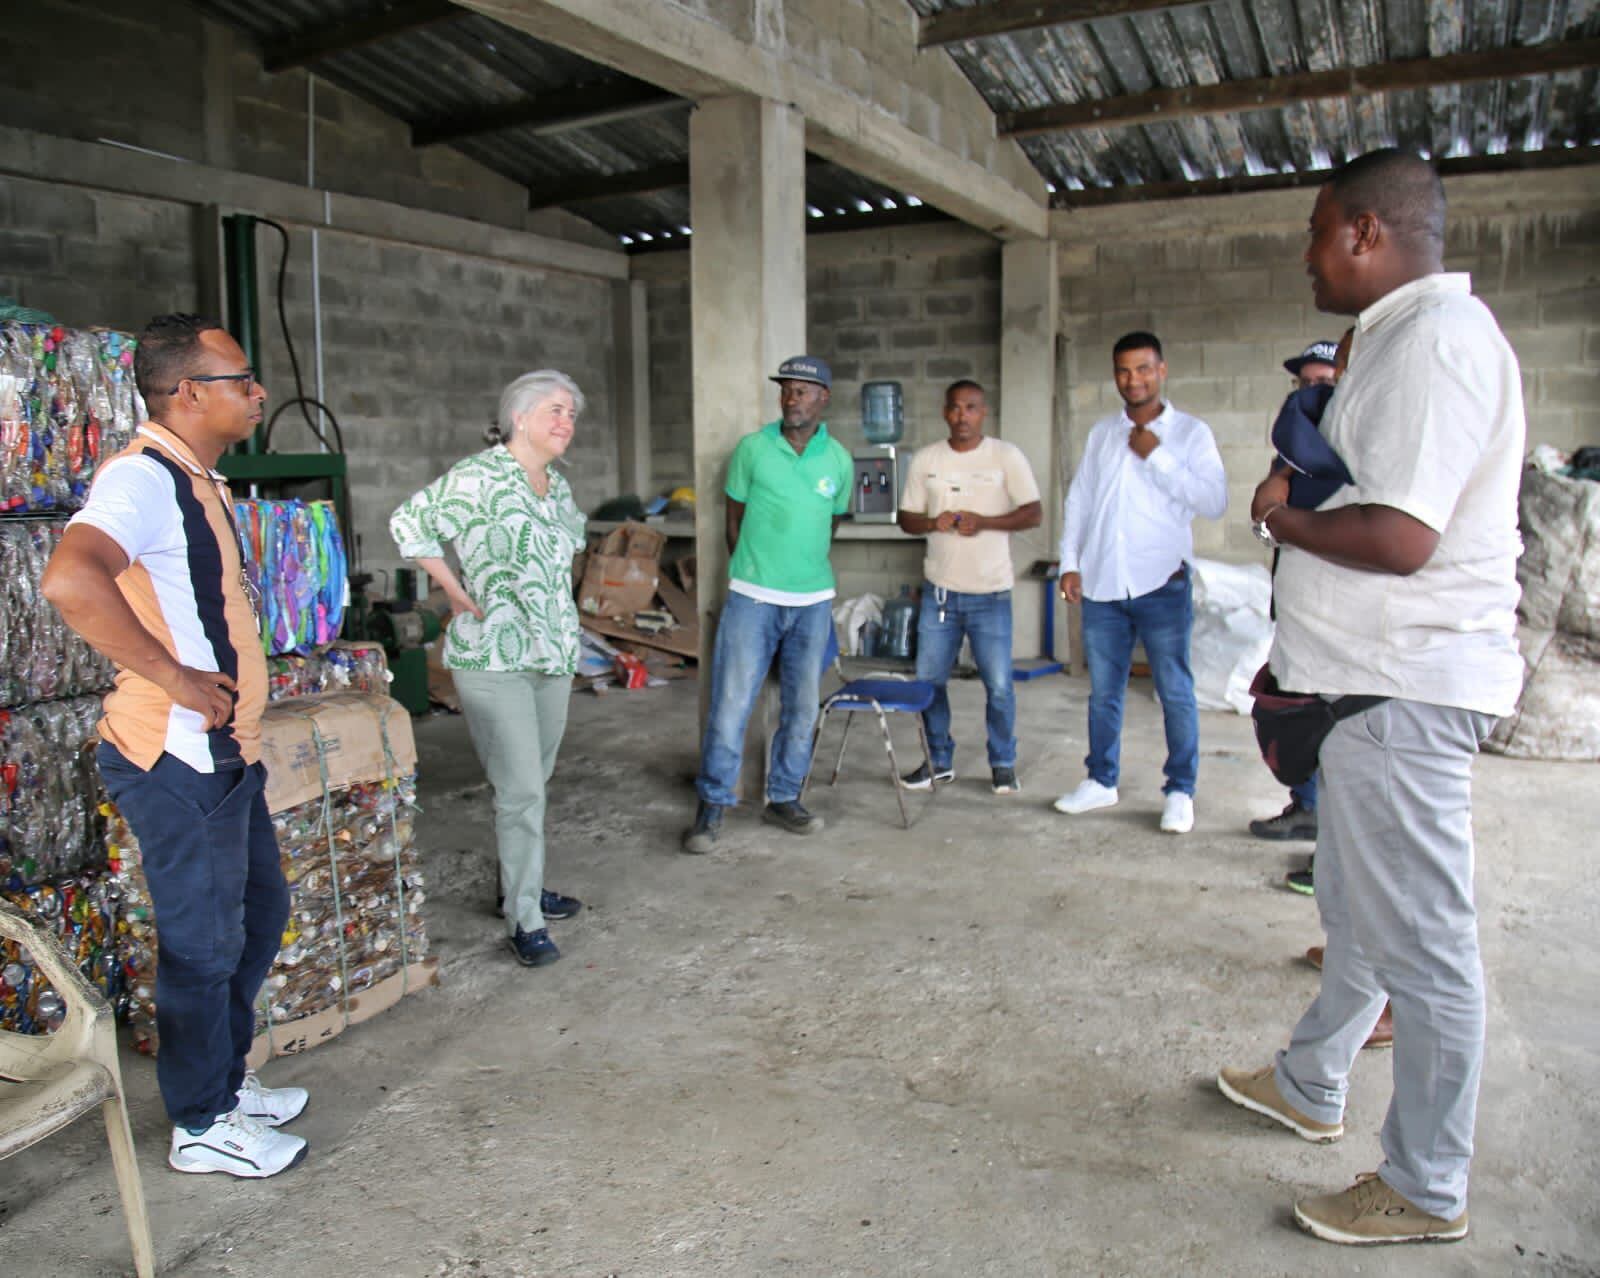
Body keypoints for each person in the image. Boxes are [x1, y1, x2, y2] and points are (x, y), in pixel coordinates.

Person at [1217, 149, 1525, 1246]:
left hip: (1406, 688)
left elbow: (1399, 535)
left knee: (1427, 948)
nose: (1305, 254)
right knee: (1352, 909)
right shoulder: (1396, 341)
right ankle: (1310, 1083)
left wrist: (1279, 517)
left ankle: (1426, 1185)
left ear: (1361, 231)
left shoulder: (1438, 345)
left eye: (1313, 232)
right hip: (1363, 688)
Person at [42, 313, 307, 1178]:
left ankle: (225, 1080)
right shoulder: (143, 479)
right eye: (241, 378)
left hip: (227, 755)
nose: (258, 391)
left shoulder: (196, 478)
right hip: (179, 757)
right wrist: (175, 677)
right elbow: (69, 577)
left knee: (260, 915)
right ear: (188, 392)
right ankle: (201, 1121)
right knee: (201, 945)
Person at [390, 371, 588, 968]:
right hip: (494, 657)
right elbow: (409, 523)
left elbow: (565, 558)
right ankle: (523, 918)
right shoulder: (477, 477)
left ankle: (517, 883)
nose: (566, 423)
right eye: (555, 410)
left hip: (552, 655)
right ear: (520, 417)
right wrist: (451, 589)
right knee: (521, 790)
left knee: (534, 782)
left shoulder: (557, 485)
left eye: (572, 415)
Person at [1052, 332, 1227, 834]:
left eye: (1144, 369)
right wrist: (1070, 560)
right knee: (1104, 691)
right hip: (1104, 585)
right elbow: (1081, 500)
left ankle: (1179, 790)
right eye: (1124, 371)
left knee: (1174, 689)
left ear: (1162, 370)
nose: (1134, 380)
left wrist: (1158, 455)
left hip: (1162, 584)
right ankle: (1100, 781)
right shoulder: (1101, 434)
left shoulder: (1192, 434)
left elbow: (1213, 501)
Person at [682, 356, 854, 854]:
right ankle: (711, 806)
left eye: (803, 391)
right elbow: (733, 520)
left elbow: (833, 522)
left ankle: (783, 798)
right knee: (732, 703)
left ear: (823, 398)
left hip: (813, 603)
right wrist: (757, 572)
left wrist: (801, 568)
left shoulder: (838, 460)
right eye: (786, 391)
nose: (791, 399)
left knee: (801, 708)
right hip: (753, 599)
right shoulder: (753, 450)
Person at [895, 380, 1042, 794]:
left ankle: (1002, 762)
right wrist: (931, 522)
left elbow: (1033, 514)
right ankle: (938, 760)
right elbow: (905, 519)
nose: (963, 416)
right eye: (955, 408)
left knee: (997, 685)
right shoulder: (927, 459)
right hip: (940, 593)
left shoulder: (1004, 456)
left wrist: (985, 522)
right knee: (929, 682)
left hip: (990, 594)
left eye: (971, 408)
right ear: (945, 412)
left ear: (984, 412)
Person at [1249, 341, 1340, 849]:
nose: (1312, 395)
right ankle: (1307, 807)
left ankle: (1330, 830)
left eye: (1324, 385)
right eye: (1304, 385)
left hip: (1344, 610)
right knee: (1296, 705)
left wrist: (1281, 513)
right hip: (1298, 599)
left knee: (1338, 717)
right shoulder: (1290, 450)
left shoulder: (1359, 444)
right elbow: (1266, 524)